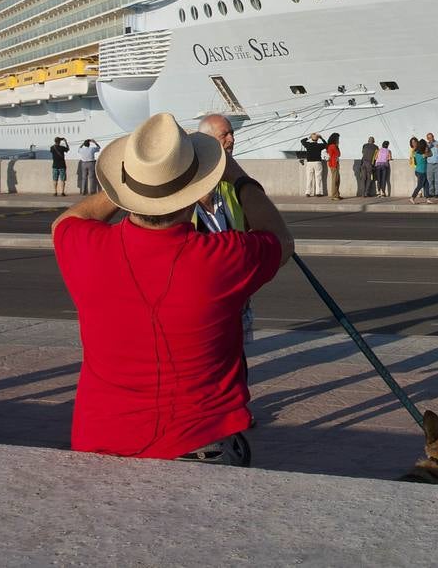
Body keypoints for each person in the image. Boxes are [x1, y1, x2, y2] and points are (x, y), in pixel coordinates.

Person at [51, 112, 293, 464]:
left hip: (100, 444)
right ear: (195, 189)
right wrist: (238, 177)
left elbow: (65, 222)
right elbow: (281, 239)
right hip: (199, 444)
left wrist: (129, 184)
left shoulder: (85, 247)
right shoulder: (221, 258)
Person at [193, 114, 256, 349]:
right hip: (200, 298)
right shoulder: (183, 188)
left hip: (235, 296)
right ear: (205, 141)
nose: (232, 138)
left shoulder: (232, 185)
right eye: (225, 134)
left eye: (232, 133)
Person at [424, 132, 438, 199]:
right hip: (429, 164)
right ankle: (431, 193)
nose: (430, 139)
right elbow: (424, 153)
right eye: (428, 138)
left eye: (431, 137)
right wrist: (427, 147)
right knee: (430, 179)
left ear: (433, 137)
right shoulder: (427, 145)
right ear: (427, 138)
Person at [411, 139, 430, 204]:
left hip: (418, 171)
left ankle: (427, 199)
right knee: (419, 186)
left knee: (426, 185)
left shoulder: (416, 153)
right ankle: (412, 198)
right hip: (421, 172)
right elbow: (431, 154)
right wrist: (427, 146)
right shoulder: (423, 155)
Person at [325, 132, 342, 201]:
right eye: (338, 138)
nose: (338, 140)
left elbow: (338, 154)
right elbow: (338, 154)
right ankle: (334, 195)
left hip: (334, 164)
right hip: (334, 164)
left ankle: (337, 194)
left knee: (337, 180)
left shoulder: (331, 146)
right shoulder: (333, 146)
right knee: (335, 180)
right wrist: (337, 146)